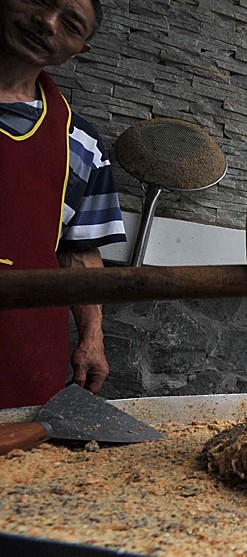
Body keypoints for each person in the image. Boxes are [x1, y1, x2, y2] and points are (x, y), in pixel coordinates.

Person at [0, 0, 126, 408]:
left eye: (70, 24)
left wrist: (92, 337)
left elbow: (79, 253)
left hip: (21, 359)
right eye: (40, 1)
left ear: (79, 49)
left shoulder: (81, 145)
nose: (46, 23)